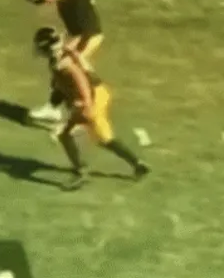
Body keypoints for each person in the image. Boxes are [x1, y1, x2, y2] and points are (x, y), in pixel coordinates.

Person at [33, 26, 149, 190]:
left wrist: (83, 106)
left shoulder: (65, 66)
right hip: (98, 92)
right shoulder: (62, 57)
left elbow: (81, 84)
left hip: (91, 99)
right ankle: (138, 164)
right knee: (103, 138)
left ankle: (81, 172)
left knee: (66, 135)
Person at [8, 0, 103, 121]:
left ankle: (89, 106)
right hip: (78, 32)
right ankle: (58, 107)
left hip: (87, 33)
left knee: (69, 67)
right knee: (59, 64)